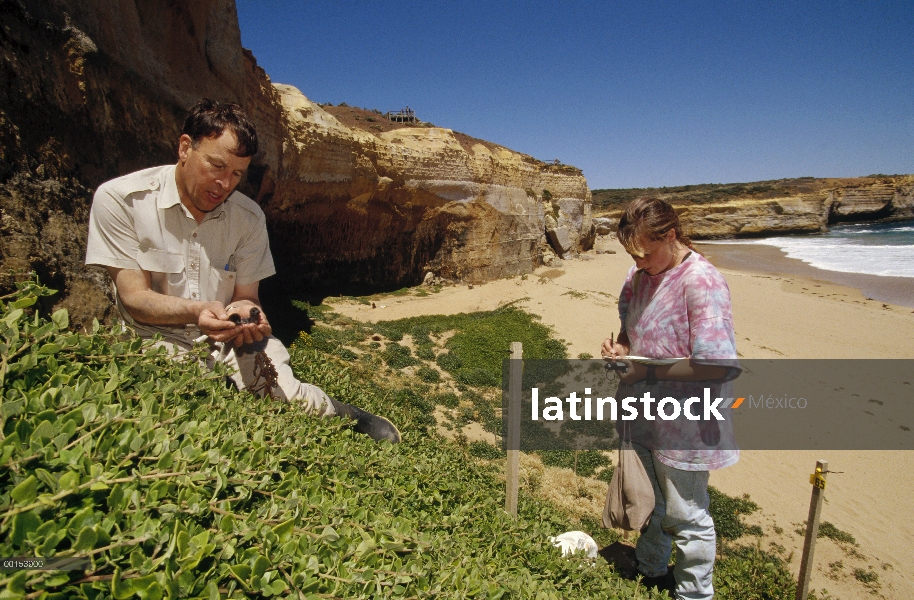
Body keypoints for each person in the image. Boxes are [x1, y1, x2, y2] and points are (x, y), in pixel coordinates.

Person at [85, 98, 400, 443]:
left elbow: (247, 298)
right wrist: (197, 311)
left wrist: (247, 314)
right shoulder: (121, 200)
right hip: (153, 339)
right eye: (217, 166)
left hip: (230, 340)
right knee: (191, 417)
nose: (225, 184)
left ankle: (346, 412)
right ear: (185, 147)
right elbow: (134, 299)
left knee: (288, 402)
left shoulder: (248, 217)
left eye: (236, 174)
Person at [600, 197, 739, 600]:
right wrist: (622, 351)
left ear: (671, 236)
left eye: (645, 252)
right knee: (652, 501)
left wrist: (648, 371)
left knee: (688, 516)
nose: (639, 263)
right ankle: (650, 570)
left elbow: (718, 366)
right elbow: (630, 330)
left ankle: (694, 594)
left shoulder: (702, 281)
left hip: (688, 422)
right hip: (644, 411)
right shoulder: (638, 276)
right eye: (633, 254)